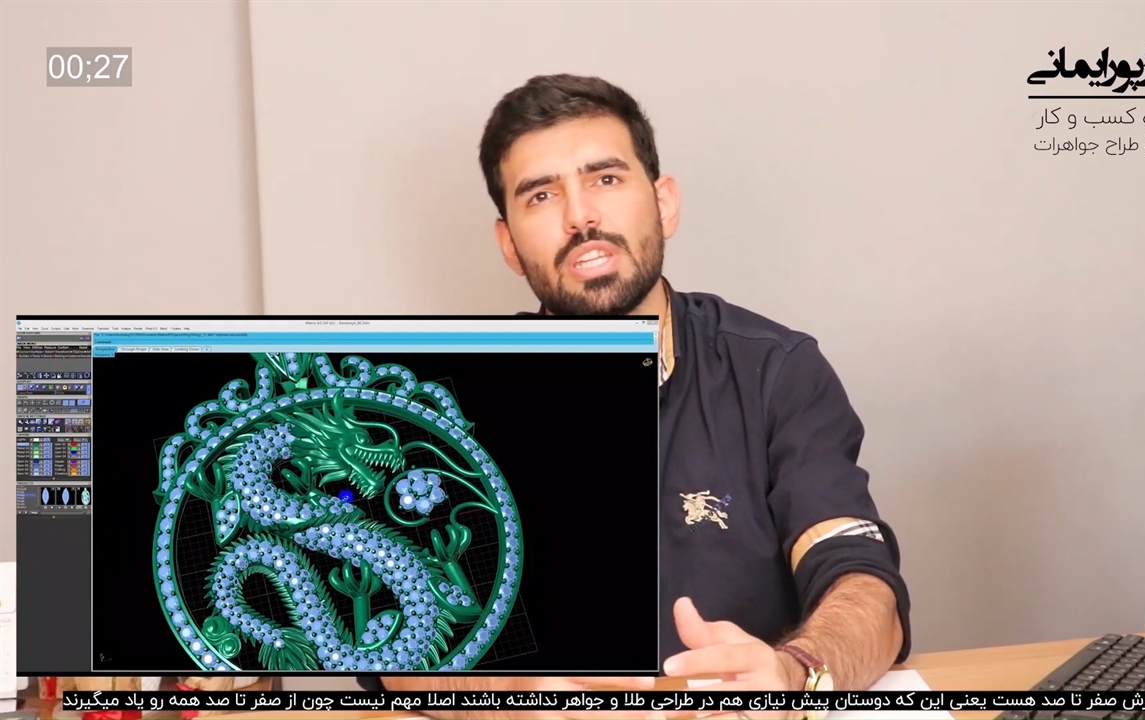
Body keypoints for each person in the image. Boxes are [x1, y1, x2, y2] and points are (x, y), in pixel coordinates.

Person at [358, 74, 911, 720]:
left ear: (664, 203)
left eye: (606, 178)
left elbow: (864, 586)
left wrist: (793, 673)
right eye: (541, 195)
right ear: (509, 244)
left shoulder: (776, 372)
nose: (580, 216)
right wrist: (503, 699)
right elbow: (388, 636)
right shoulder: (443, 398)